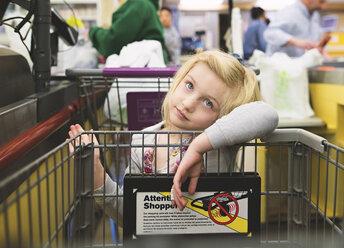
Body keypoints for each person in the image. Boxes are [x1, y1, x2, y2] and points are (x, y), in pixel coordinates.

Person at [68, 50, 279, 225]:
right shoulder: (143, 141)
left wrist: (199, 146)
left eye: (208, 103)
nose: (188, 104)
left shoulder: (218, 146)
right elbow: (128, 214)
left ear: (223, 118)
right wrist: (95, 167)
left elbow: (268, 115)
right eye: (189, 85)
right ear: (178, 80)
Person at [88, 0, 166, 60]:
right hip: (149, 68)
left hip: (141, 72)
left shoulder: (139, 5)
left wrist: (93, 32)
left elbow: (113, 42)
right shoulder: (147, 6)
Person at [263, 0, 328, 58]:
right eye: (321, 2)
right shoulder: (290, 12)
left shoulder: (315, 15)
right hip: (280, 67)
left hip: (301, 66)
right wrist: (296, 42)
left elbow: (313, 39)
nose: (323, 7)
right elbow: (270, 33)